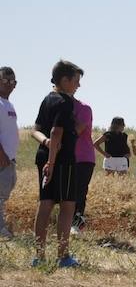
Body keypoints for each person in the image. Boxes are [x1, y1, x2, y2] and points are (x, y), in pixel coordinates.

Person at [32, 60, 83, 267]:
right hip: (61, 162)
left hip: (44, 157)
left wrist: (45, 144)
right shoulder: (65, 101)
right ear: (65, 80)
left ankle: (39, 257)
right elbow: (56, 132)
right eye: (76, 81)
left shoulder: (47, 99)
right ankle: (63, 257)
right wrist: (52, 162)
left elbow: (35, 130)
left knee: (45, 204)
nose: (78, 86)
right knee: (67, 206)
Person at [72, 99, 98, 233]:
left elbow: (77, 130)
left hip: (84, 158)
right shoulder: (57, 105)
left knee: (79, 192)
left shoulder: (84, 108)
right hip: (66, 157)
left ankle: (77, 224)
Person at [0, 66, 18, 240]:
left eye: (13, 81)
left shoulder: (9, 104)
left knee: (3, 195)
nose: (9, 84)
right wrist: (2, 155)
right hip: (2, 159)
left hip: (9, 159)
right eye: (5, 80)